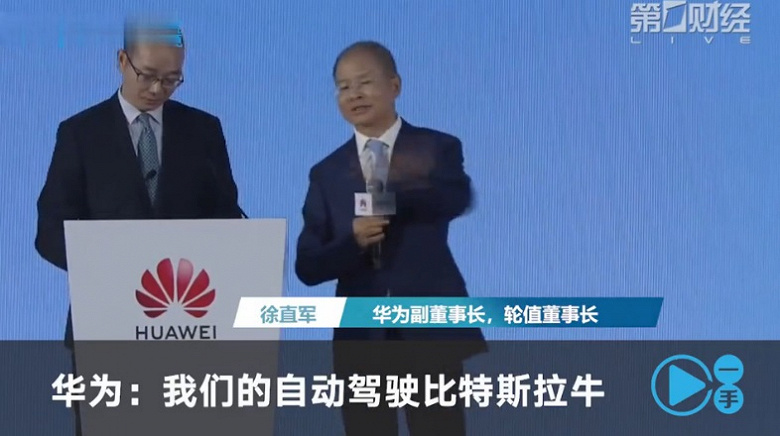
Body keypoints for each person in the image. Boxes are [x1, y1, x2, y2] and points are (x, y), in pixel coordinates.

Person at [34, 21, 243, 435]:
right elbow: (50, 231)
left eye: (172, 79)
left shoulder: (204, 130)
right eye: (147, 75)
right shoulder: (80, 133)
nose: (157, 89)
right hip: (104, 324)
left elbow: (226, 215)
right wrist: (105, 263)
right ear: (122, 61)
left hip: (187, 325)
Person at [295, 40, 486, 436]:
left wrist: (394, 193)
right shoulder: (327, 173)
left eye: (364, 82)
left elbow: (455, 197)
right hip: (361, 339)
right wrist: (352, 241)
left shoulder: (435, 147)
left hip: (428, 329)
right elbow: (308, 266)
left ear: (395, 85)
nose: (354, 94)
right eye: (343, 87)